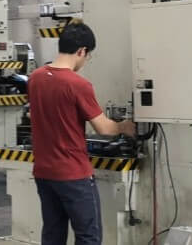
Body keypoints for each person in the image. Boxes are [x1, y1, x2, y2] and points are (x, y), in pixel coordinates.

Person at [28, 22, 135, 245]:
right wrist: (126, 126)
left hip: (44, 172)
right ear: (82, 51)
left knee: (53, 235)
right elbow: (105, 129)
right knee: (88, 237)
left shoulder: (36, 78)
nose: (86, 61)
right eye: (88, 56)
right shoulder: (78, 84)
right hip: (73, 174)